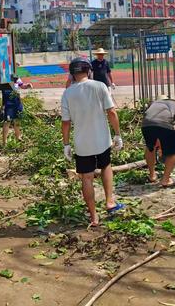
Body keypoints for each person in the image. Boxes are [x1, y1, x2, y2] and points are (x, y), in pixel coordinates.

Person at [61, 57, 123, 227]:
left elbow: (65, 122)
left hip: (82, 144)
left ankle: (94, 217)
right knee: (106, 166)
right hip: (102, 139)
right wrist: (117, 134)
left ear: (72, 74)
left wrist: (66, 144)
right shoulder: (99, 86)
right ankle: (110, 202)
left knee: (86, 178)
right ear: (88, 71)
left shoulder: (67, 93)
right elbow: (111, 112)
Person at [141, 94, 175, 187]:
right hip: (164, 125)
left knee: (150, 147)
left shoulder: (153, 104)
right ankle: (166, 180)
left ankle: (152, 175)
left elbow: (153, 122)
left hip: (146, 125)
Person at [2, 74, 32, 146]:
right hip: (8, 102)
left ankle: (18, 137)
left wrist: (27, 85)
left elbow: (22, 85)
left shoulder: (16, 78)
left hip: (17, 101)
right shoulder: (4, 78)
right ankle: (4, 142)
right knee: (7, 121)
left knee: (17, 119)